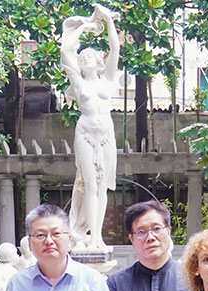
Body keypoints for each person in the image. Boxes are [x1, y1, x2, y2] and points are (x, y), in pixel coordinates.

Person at [61, 3, 120, 250]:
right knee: (90, 185)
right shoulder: (79, 83)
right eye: (82, 58)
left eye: (89, 56)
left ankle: (97, 237)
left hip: (106, 134)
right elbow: (66, 51)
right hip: (85, 133)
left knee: (103, 187)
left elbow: (115, 47)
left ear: (98, 60)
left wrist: (108, 20)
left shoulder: (108, 80)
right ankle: (89, 235)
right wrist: (84, 26)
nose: (85, 59)